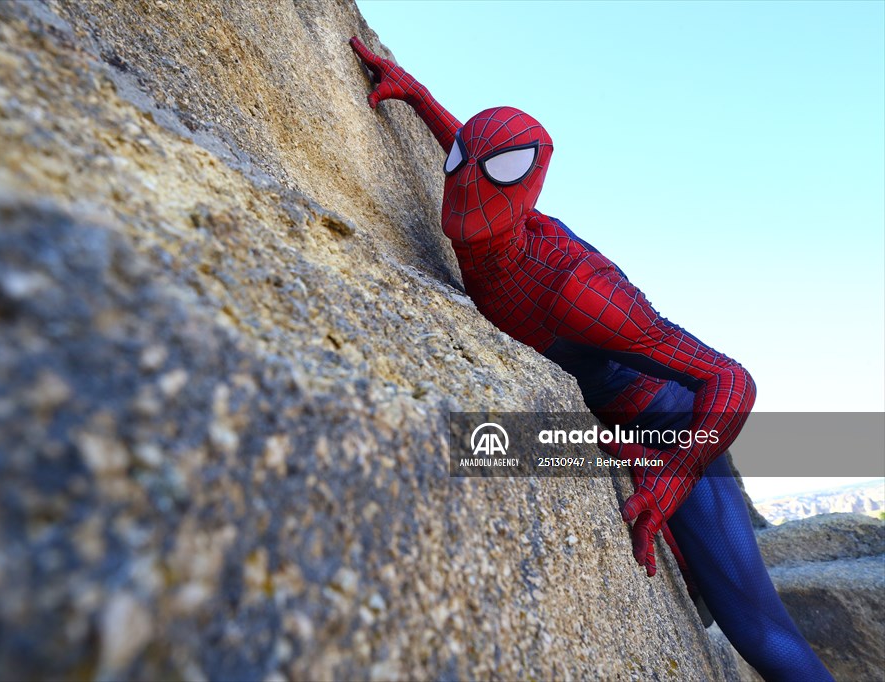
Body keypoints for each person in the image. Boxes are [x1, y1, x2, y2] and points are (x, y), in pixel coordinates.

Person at [348, 36, 833, 681]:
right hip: (606, 420)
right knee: (708, 594)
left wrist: (671, 478)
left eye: (497, 170)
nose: (465, 177)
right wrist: (416, 94)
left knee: (757, 627)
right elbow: (477, 154)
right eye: (463, 156)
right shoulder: (489, 196)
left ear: (528, 182)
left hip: (666, 424)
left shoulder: (575, 287)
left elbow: (731, 381)